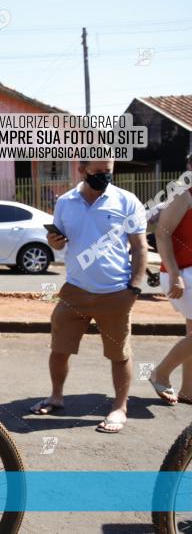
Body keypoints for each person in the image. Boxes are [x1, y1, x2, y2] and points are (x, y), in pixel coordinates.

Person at [31, 159, 147, 434]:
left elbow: (140, 248)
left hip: (115, 292)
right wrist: (53, 242)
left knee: (119, 355)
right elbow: (58, 239)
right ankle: (56, 397)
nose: (104, 177)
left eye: (108, 171)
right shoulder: (65, 202)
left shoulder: (127, 201)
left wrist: (135, 288)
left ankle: (120, 407)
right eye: (97, 172)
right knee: (59, 349)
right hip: (75, 290)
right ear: (81, 169)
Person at [151, 179, 192, 405]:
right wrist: (175, 274)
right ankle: (161, 372)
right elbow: (162, 234)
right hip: (182, 274)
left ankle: (188, 390)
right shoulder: (183, 194)